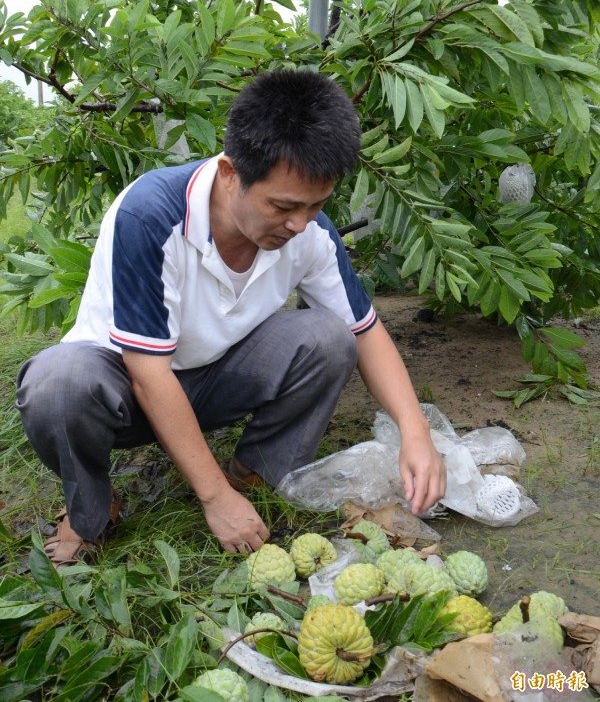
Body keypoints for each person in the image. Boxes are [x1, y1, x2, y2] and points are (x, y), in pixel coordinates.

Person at [16, 68, 446, 565]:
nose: (298, 224)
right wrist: (213, 499)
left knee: (329, 337)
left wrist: (416, 433)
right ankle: (91, 511)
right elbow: (148, 373)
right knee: (57, 383)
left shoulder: (310, 231)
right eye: (284, 206)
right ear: (229, 173)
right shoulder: (151, 215)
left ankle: (250, 475)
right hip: (122, 392)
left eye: (316, 205)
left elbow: (366, 333)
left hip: (212, 381)